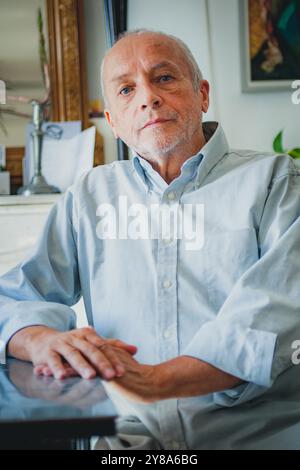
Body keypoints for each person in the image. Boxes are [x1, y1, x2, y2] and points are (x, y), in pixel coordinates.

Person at [1, 29, 300, 450]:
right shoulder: (88, 195)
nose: (147, 98)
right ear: (113, 122)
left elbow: (274, 314)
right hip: (125, 442)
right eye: (126, 89)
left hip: (255, 438)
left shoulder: (276, 180)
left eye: (164, 78)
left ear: (202, 95)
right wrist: (45, 340)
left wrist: (157, 381)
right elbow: (13, 296)